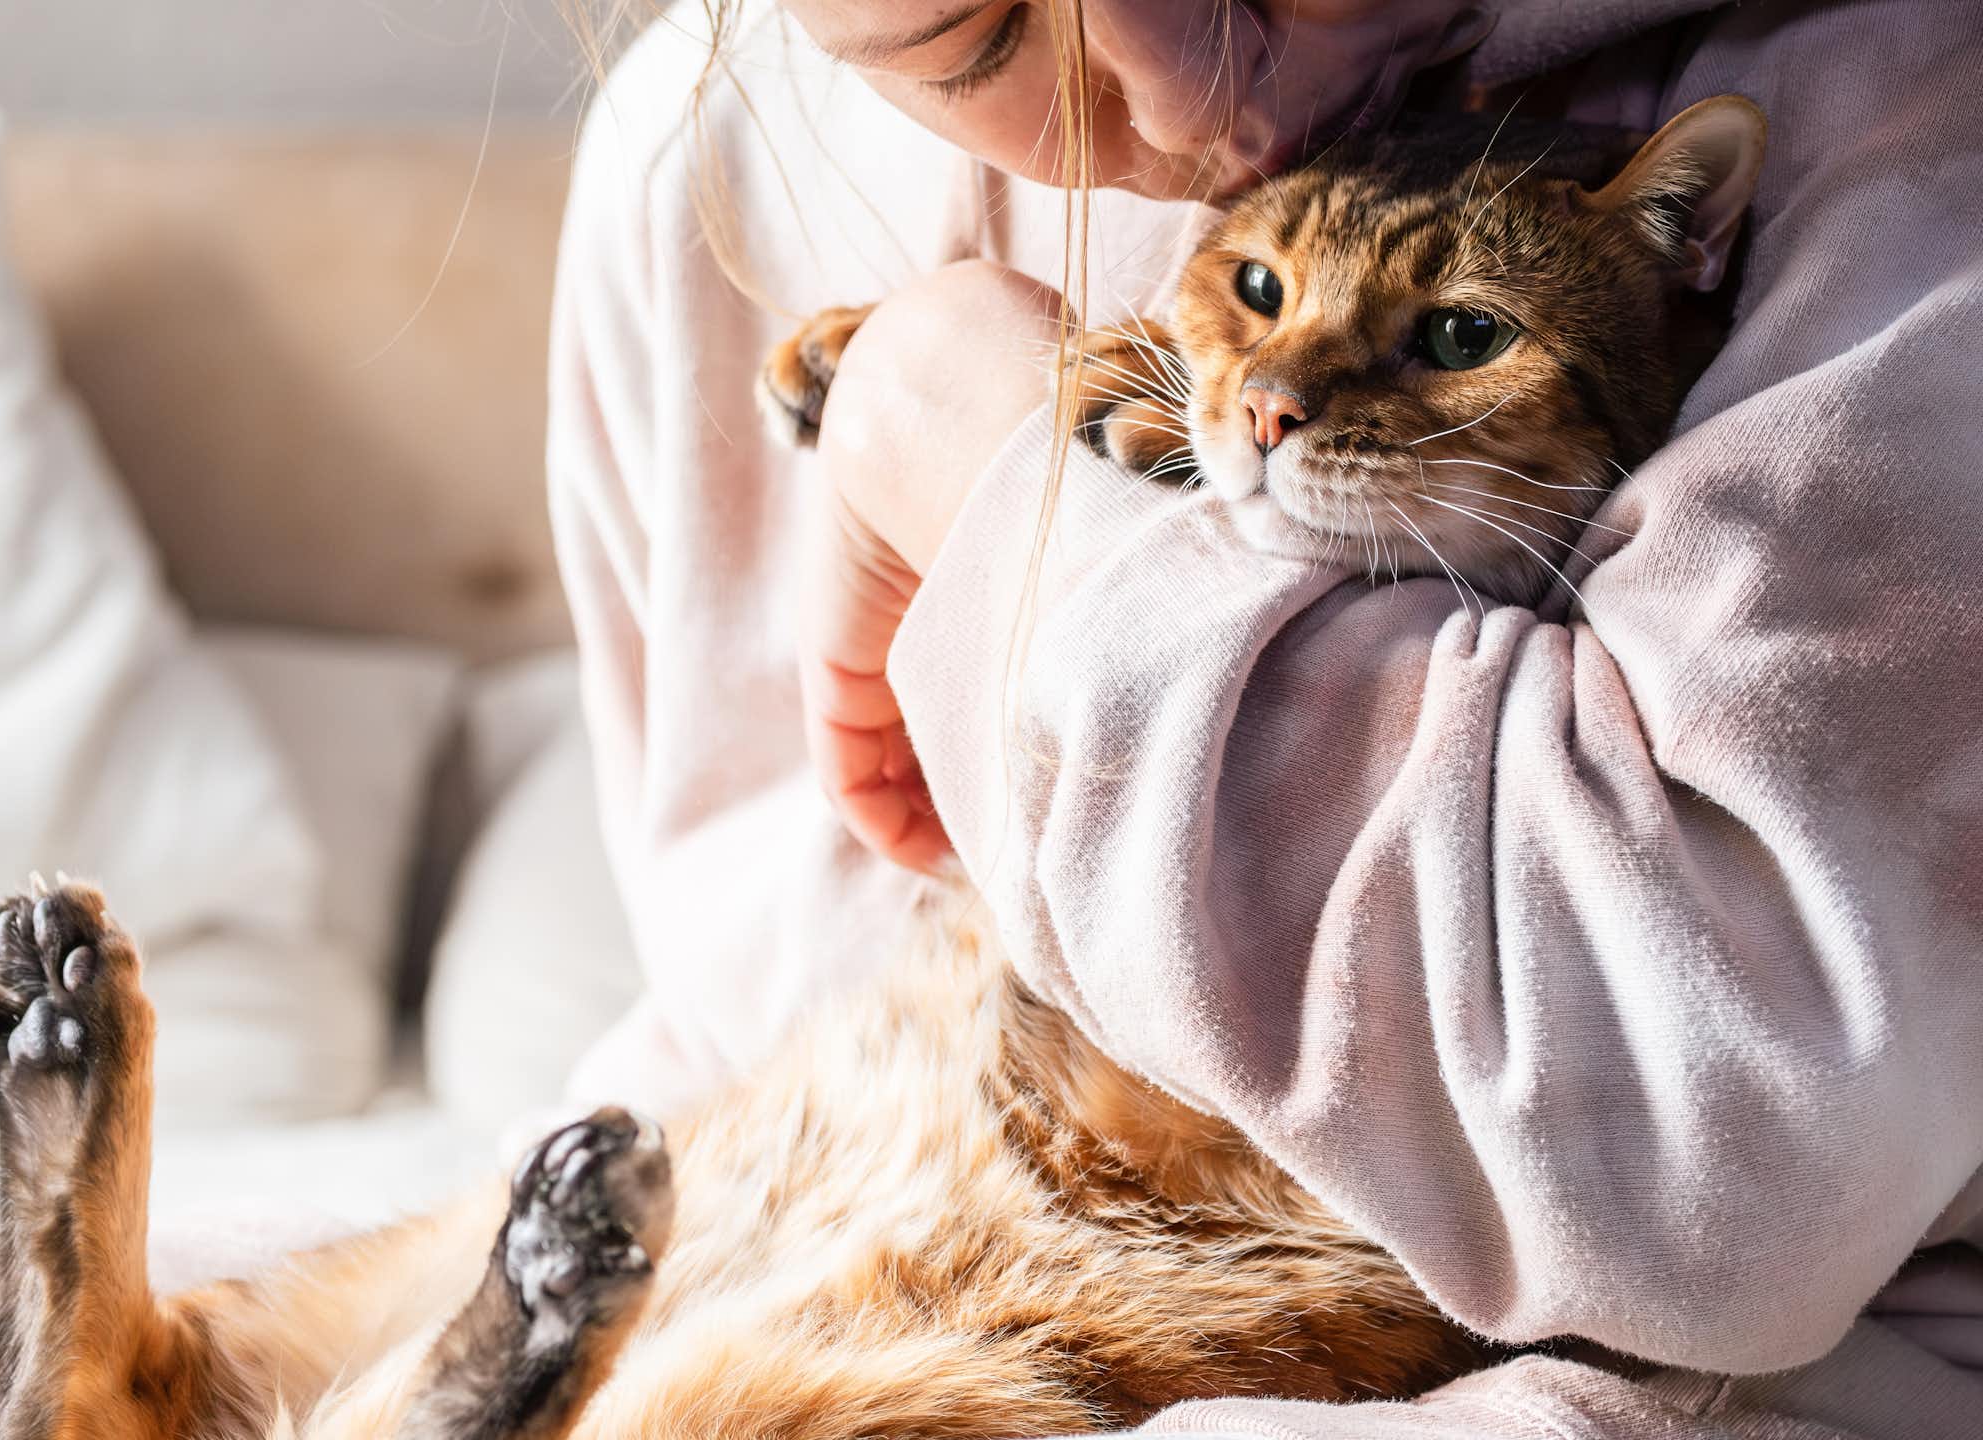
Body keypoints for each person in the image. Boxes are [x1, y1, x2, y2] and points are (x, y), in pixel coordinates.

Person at [544, 0, 1983, 1434]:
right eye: (975, 44)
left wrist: (978, 446)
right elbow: (722, 1011)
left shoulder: (1906, 108)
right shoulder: (686, 167)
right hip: (775, 1212)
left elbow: (1705, 1160)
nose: (1191, 110)